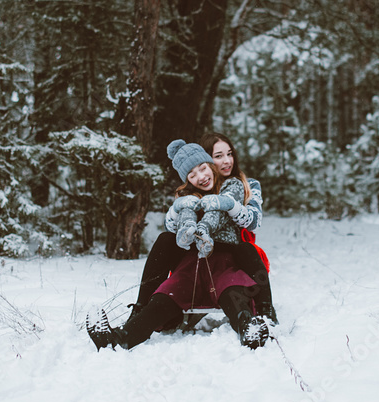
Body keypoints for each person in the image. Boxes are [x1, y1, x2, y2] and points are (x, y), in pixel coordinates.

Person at [87, 139, 270, 351]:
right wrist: (183, 222)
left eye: (203, 168)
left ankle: (251, 328)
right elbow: (177, 222)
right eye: (193, 174)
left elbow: (245, 218)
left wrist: (222, 209)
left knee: (232, 294)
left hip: (226, 263)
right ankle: (120, 338)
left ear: (209, 165)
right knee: (166, 297)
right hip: (192, 265)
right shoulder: (187, 195)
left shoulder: (234, 186)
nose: (201, 176)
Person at [126, 131, 276, 324]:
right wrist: (177, 210)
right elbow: (173, 227)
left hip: (234, 254)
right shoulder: (193, 187)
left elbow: (254, 221)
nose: (227, 161)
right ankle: (141, 307)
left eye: (229, 154)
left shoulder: (247, 184)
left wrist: (228, 204)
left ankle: (265, 309)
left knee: (245, 249)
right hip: (196, 254)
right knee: (166, 238)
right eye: (218, 156)